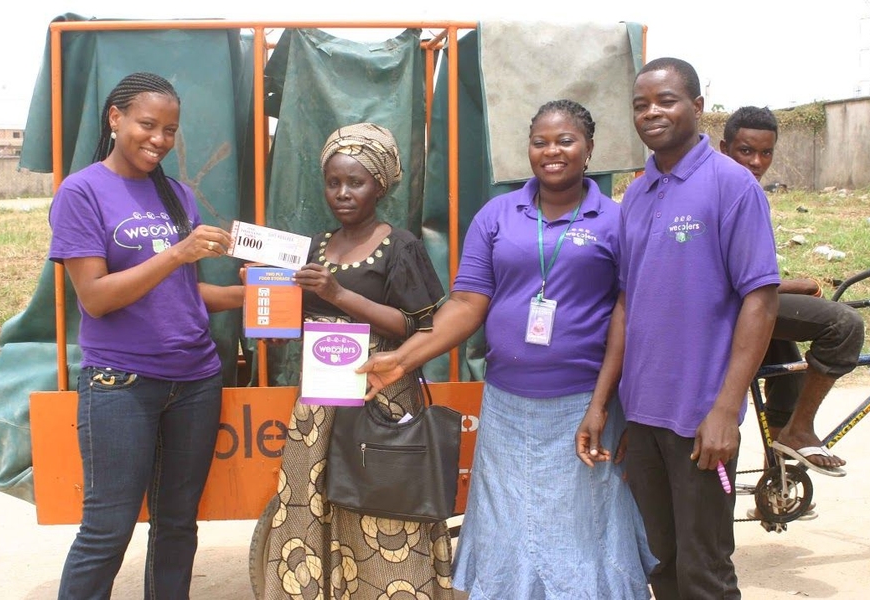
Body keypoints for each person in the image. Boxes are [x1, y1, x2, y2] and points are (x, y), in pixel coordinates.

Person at [357, 100, 655, 599]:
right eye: (540, 141)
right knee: (510, 529)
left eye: (566, 140)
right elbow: (468, 302)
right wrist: (404, 357)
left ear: (590, 150)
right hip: (508, 407)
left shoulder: (614, 220)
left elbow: (627, 315)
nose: (552, 151)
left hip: (583, 406)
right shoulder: (498, 214)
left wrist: (603, 404)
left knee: (582, 534)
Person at [575, 58, 780, 599]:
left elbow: (760, 301)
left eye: (665, 100)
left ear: (697, 107)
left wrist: (723, 411)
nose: (651, 113)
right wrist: (603, 403)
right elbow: (626, 303)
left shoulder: (732, 186)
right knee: (661, 565)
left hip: (699, 422)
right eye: (641, 104)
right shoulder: (638, 194)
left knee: (704, 571)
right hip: (642, 416)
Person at [48, 72, 244, 599]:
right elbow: (96, 296)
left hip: (196, 380)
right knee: (107, 530)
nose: (159, 139)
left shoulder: (178, 195)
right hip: (120, 382)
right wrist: (178, 252)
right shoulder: (81, 192)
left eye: (170, 130)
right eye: (147, 124)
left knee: (177, 525)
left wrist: (257, 294)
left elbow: (184, 291)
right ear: (116, 118)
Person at [258, 123, 453, 599]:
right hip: (320, 405)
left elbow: (417, 327)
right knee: (313, 500)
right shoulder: (315, 246)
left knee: (380, 501)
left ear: (380, 185)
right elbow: (298, 314)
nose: (342, 193)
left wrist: (337, 293)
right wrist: (272, 321)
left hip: (378, 392)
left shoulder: (400, 245)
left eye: (356, 182)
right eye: (333, 182)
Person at [721, 106, 863, 482]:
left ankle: (779, 477)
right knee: (845, 325)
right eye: (745, 151)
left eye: (765, 153)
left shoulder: (744, 189)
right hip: (732, 306)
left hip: (748, 301)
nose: (756, 162)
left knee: (786, 355)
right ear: (724, 148)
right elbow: (725, 278)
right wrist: (798, 285)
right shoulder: (727, 190)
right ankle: (799, 429)